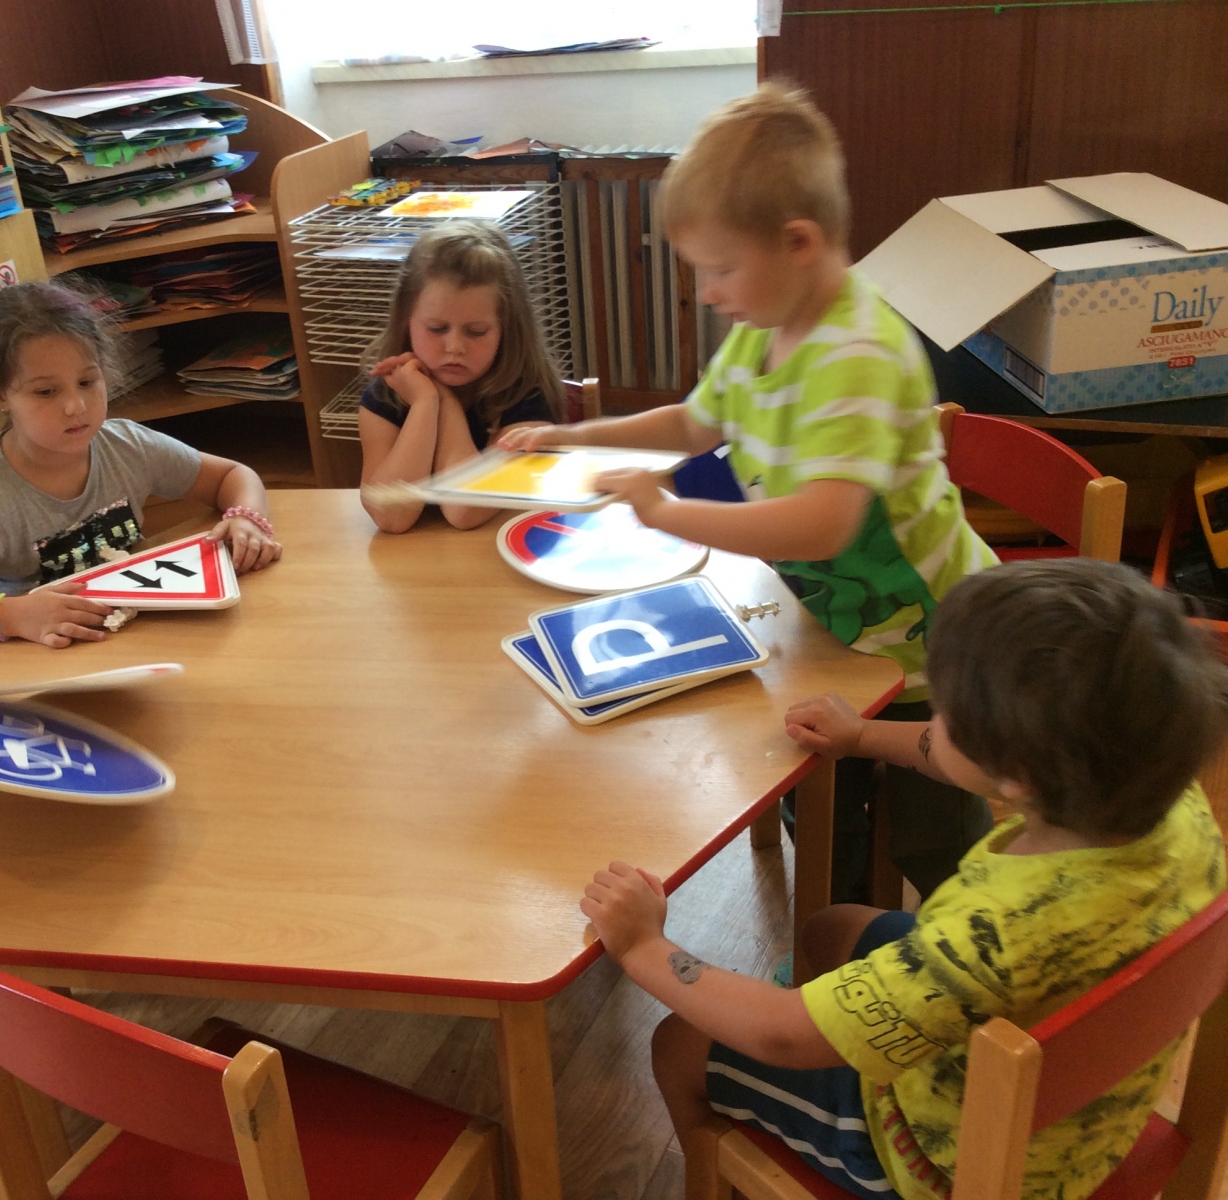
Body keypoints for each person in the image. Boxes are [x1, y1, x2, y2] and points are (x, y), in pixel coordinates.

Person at [582, 559, 1228, 1200]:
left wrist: (644, 946)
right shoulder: (1163, 801)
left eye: (945, 715)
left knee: (679, 1044)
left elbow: (780, 1032)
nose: (935, 722)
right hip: (1092, 1117)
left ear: (1016, 774)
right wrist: (862, 735)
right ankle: (838, 1028)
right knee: (830, 928)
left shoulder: (987, 940)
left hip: (935, 1158)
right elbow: (972, 760)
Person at [504, 83, 996, 905]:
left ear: (798, 242)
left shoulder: (856, 356)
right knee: (821, 801)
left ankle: (983, 954)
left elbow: (822, 525)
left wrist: (665, 512)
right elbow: (694, 424)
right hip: (834, 624)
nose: (706, 291)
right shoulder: (761, 331)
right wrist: (573, 435)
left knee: (933, 832)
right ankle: (836, 936)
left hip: (925, 645)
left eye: (720, 268)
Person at [0, 279, 282, 647]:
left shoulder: (126, 446)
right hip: (41, 657)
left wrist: (246, 519)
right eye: (46, 392)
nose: (75, 406)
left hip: (131, 636)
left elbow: (232, 476)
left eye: (87, 382)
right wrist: (15, 616)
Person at [359, 221, 564, 533]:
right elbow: (390, 517)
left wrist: (442, 400)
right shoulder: (385, 395)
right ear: (406, 321)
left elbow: (465, 509)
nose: (454, 347)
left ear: (507, 330)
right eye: (437, 328)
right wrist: (424, 403)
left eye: (476, 331)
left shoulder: (527, 397)